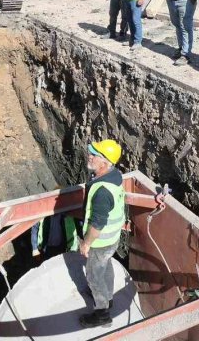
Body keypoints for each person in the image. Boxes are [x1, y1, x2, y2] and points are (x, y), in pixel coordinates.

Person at [78, 139, 125, 328]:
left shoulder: (103, 191)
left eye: (94, 155)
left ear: (105, 162)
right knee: (106, 266)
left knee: (94, 277)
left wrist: (86, 243)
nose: (89, 156)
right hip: (112, 239)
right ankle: (108, 298)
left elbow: (97, 224)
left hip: (100, 242)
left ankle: (102, 314)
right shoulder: (114, 176)